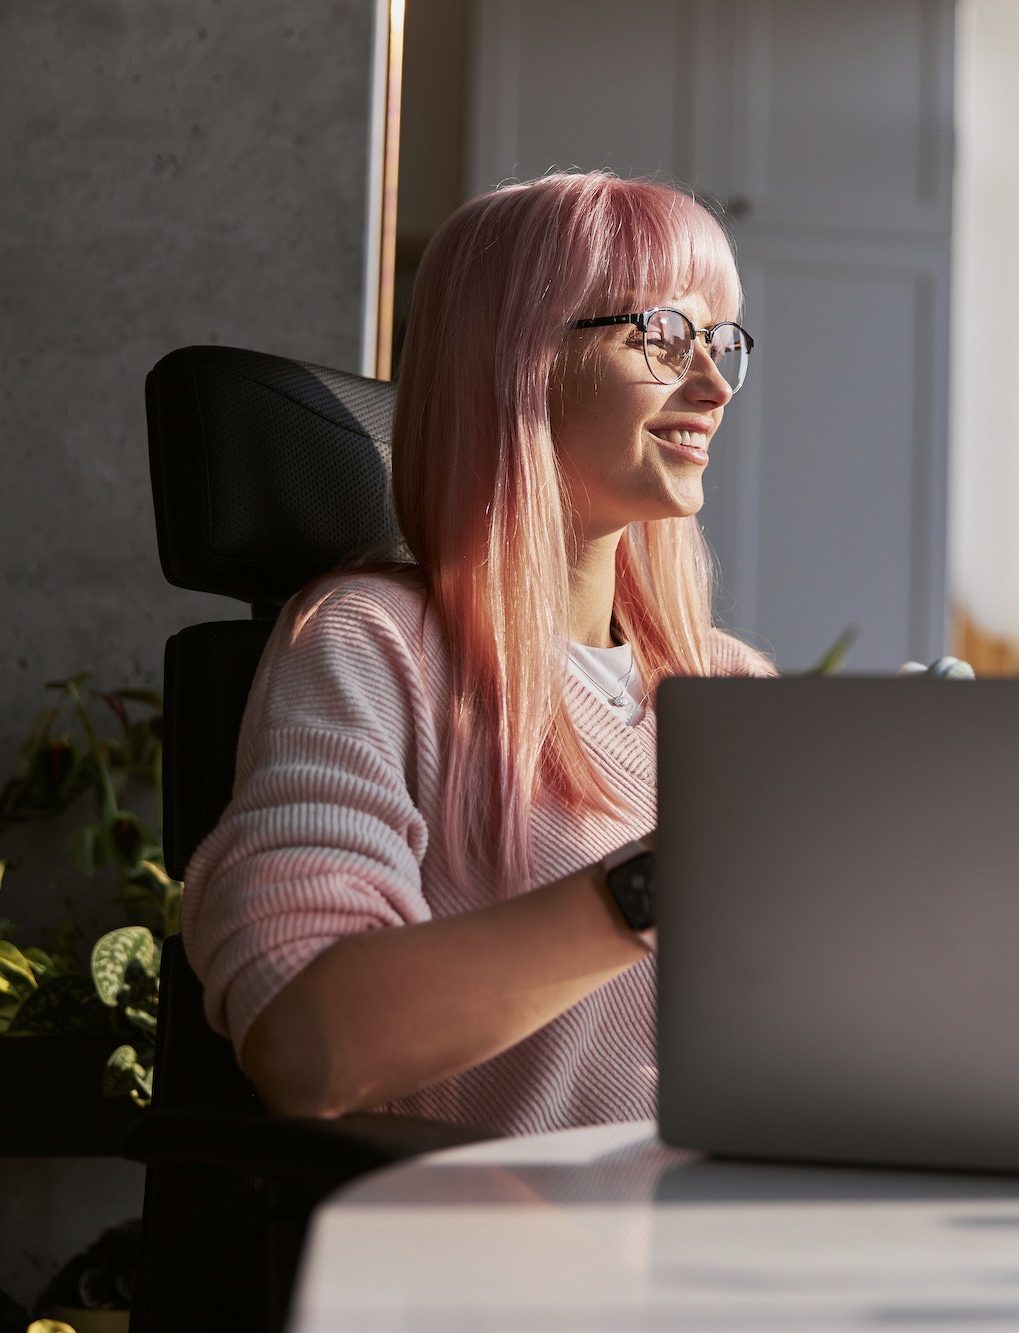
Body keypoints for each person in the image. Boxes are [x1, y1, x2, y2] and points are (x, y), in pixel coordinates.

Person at [182, 171, 777, 1137]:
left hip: (742, 1232)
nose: (710, 385)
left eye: (720, 343)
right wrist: (662, 881)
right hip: (519, 1258)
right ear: (520, 360)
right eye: (664, 335)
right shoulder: (374, 645)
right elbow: (305, 1044)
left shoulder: (734, 689)